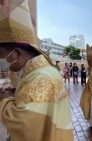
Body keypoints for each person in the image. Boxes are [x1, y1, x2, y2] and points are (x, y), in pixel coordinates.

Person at [0, 1, 73, 140]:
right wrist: (17, 92)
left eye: (0, 53)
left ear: (18, 53)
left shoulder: (41, 78)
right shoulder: (40, 73)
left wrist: (3, 99)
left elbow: (23, 125)